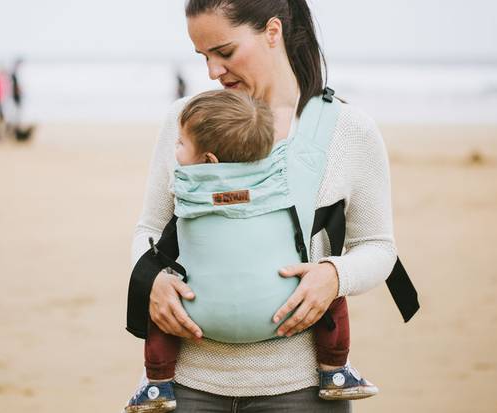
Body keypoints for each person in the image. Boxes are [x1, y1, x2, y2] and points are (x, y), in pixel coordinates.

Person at [128, 1, 410, 411]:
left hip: (301, 387)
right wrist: (150, 280)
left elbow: (379, 247)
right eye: (203, 57)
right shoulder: (188, 120)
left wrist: (334, 275)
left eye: (224, 52)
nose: (211, 72)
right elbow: (149, 228)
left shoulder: (348, 130)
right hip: (184, 384)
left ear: (272, 31)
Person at [126, 89, 379, 413]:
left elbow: (153, 238)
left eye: (180, 144)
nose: (215, 69)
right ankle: (334, 371)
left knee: (162, 306)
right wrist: (333, 274)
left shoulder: (185, 185)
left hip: (196, 316)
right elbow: (147, 227)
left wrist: (154, 279)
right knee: (332, 293)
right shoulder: (278, 178)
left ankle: (156, 382)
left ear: (207, 161)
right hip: (285, 313)